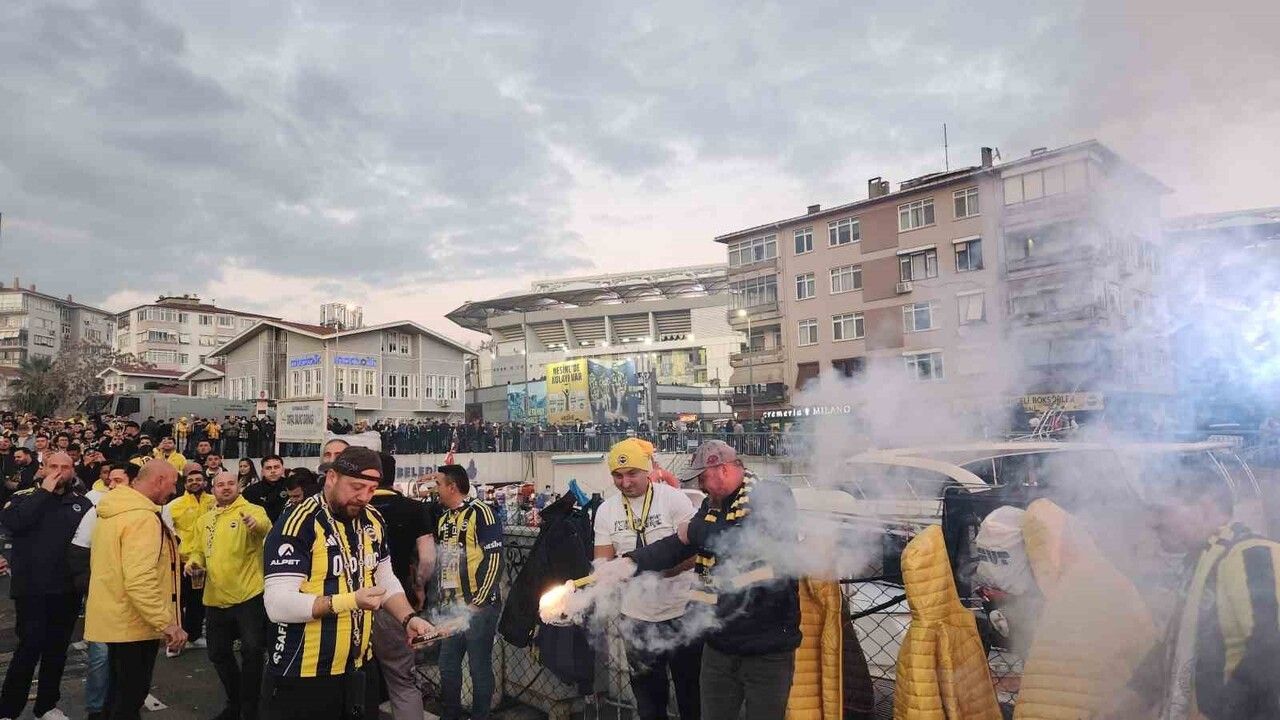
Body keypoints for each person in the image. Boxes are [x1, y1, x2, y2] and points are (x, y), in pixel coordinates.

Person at [603, 440, 800, 720]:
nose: (700, 485)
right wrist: (631, 562)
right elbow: (678, 544)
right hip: (719, 642)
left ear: (722, 469)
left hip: (766, 646)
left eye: (702, 477)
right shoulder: (712, 505)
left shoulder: (772, 495)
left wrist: (694, 531)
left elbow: (736, 539)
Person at [261, 447, 433, 720]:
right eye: (357, 487)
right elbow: (278, 604)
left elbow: (384, 576)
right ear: (331, 478)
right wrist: (350, 600)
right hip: (304, 672)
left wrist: (407, 617)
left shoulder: (373, 519)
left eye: (371, 489)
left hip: (359, 667)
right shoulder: (297, 524)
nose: (364, 497)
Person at [1098, 472, 1280, 720]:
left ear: (1204, 506)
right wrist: (1119, 708)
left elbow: (1270, 654)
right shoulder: (1198, 569)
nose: (1153, 522)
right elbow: (1168, 657)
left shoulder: (1253, 555)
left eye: (1161, 510)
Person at [593, 440, 700, 720]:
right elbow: (603, 563)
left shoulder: (673, 498)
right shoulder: (606, 511)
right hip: (636, 618)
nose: (625, 482)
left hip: (682, 612)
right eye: (618, 475)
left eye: (632, 474)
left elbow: (693, 554)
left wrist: (652, 570)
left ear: (647, 470)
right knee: (649, 701)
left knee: (691, 695)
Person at [84, 458, 186, 720]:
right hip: (134, 622)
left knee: (117, 694)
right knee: (129, 699)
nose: (174, 491)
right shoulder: (141, 518)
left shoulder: (113, 511)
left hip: (114, 618)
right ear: (159, 480)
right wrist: (167, 623)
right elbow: (140, 579)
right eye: (173, 484)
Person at [0, 452, 90, 720]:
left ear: (73, 471)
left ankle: (46, 705)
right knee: (29, 648)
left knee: (57, 650)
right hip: (32, 589)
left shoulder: (82, 504)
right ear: (43, 469)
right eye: (54, 466)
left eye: (66, 467)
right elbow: (15, 523)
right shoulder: (22, 498)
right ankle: (8, 710)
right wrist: (44, 493)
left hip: (67, 590)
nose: (59, 471)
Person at [186, 471, 270, 720]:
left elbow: (265, 527)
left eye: (230, 484)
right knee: (218, 654)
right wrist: (193, 562)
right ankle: (236, 701)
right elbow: (197, 550)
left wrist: (256, 525)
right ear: (213, 488)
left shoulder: (252, 511)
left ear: (239, 487)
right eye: (220, 484)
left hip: (248, 596)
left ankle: (250, 707)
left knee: (253, 652)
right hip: (214, 598)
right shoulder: (205, 519)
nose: (225, 488)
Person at [369, 452, 437, 720]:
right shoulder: (413, 508)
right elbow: (428, 558)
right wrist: (419, 588)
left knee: (353, 676)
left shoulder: (352, 507)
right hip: (399, 605)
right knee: (402, 679)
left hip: (352, 602)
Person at [432, 464, 503, 720]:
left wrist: (479, 602)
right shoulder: (443, 518)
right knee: (447, 666)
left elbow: (495, 558)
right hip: (452, 609)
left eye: (438, 484)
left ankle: (480, 716)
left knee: (478, 667)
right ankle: (450, 714)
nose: (435, 489)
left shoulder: (482, 512)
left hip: (478, 607)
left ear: (452, 486)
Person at [69, 462, 138, 720]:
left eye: (118, 480)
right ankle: (96, 709)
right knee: (100, 656)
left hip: (134, 598)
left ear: (132, 482)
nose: (112, 484)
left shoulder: (147, 510)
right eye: (110, 480)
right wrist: (91, 586)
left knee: (131, 658)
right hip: (102, 597)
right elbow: (78, 551)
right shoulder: (97, 511)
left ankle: (124, 705)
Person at [165, 463, 215, 657]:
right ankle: (174, 642)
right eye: (191, 480)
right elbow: (168, 531)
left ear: (205, 481)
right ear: (184, 483)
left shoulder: (213, 501)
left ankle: (193, 636)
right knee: (178, 602)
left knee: (197, 601)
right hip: (182, 561)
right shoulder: (174, 505)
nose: (195, 483)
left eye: (198, 479)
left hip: (205, 561)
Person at [244, 454, 289, 522]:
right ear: (262, 471)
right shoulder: (251, 491)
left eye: (276, 467)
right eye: (268, 468)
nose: (273, 471)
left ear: (282, 469)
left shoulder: (291, 486)